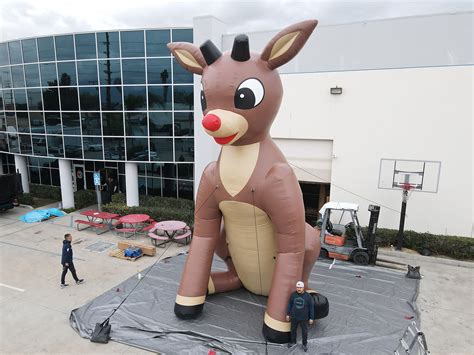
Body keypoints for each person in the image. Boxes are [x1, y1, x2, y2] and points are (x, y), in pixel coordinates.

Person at [286, 281, 315, 352]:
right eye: (297, 287)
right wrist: (288, 314)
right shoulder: (293, 295)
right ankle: (293, 342)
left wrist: (311, 318)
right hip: (294, 317)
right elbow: (290, 304)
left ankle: (304, 344)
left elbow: (311, 307)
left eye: (300, 287)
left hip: (304, 318)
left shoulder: (308, 296)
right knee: (293, 330)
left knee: (304, 332)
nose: (298, 289)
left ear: (303, 288)